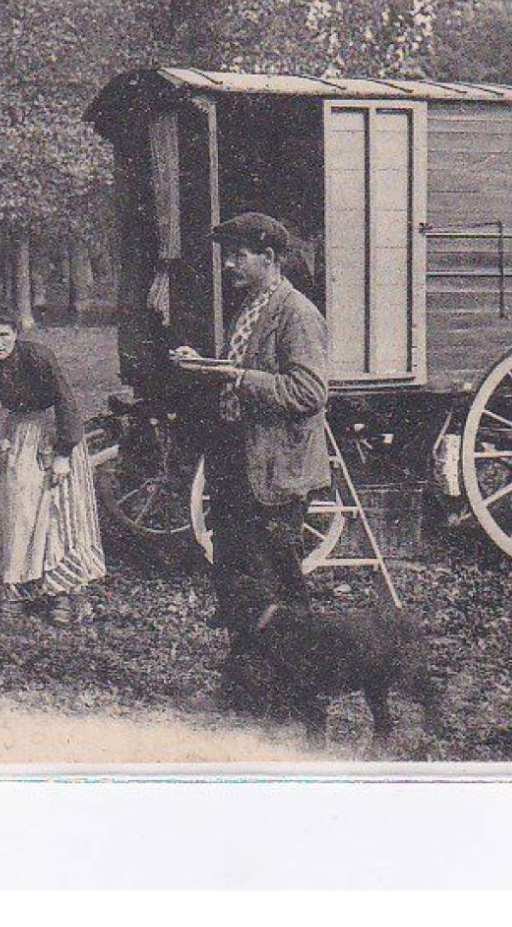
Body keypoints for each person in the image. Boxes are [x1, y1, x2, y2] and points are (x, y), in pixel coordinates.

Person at [172, 212, 330, 706]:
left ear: (270, 257)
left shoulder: (296, 313)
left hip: (274, 472)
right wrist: (207, 364)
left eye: (239, 255)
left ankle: (299, 690)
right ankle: (244, 688)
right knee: (237, 583)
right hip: (237, 463)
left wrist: (238, 377)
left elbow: (309, 390)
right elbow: (240, 370)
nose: (228, 265)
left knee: (278, 587)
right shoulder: (251, 307)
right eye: (228, 255)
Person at [0, 303, 104, 626]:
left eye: (5, 335)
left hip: (53, 434)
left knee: (54, 514)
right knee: (16, 512)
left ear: (15, 334)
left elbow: (65, 401)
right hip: (19, 437)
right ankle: (17, 589)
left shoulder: (38, 357)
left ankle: (62, 593)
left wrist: (63, 454)